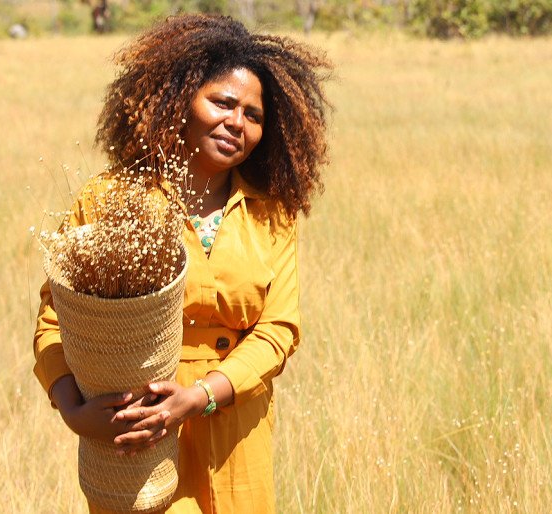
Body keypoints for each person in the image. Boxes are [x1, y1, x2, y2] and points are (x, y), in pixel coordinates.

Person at [33, 14, 331, 513]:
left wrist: (200, 397)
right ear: (179, 100)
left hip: (237, 427)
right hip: (138, 433)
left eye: (253, 115)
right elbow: (54, 318)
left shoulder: (272, 214)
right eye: (222, 102)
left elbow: (279, 330)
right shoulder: (113, 199)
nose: (237, 122)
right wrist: (74, 411)